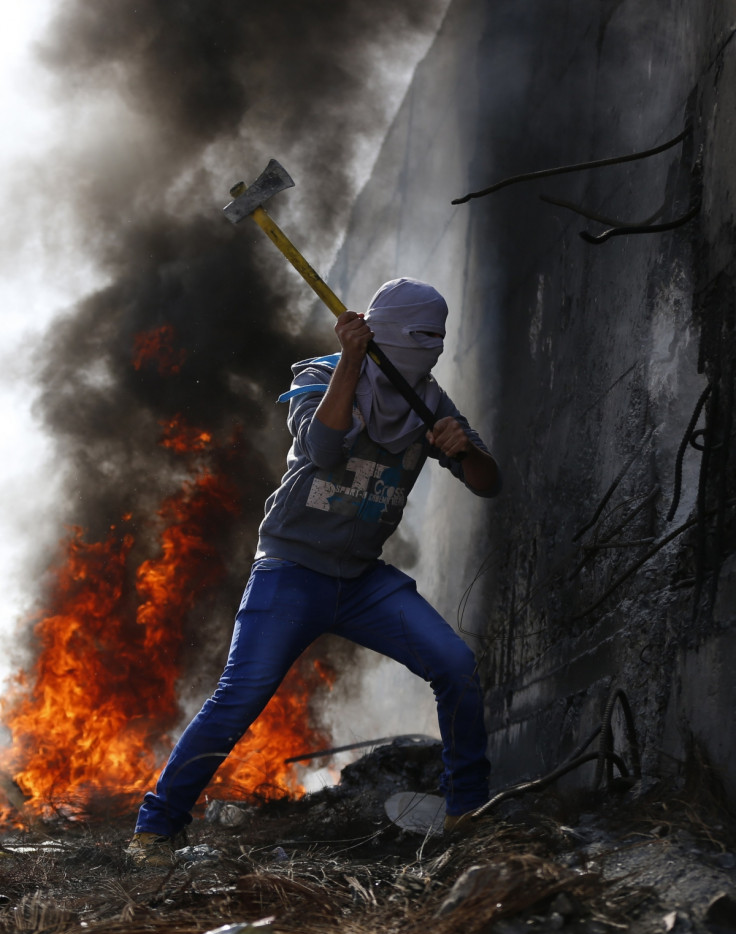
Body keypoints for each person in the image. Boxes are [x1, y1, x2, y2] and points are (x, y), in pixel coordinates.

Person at [126, 277, 500, 866]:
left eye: (440, 338)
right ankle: (155, 829)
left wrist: (464, 448)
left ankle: (467, 812)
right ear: (379, 332)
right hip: (291, 571)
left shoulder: (429, 401)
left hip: (362, 580)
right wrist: (353, 359)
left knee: (454, 665)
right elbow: (324, 447)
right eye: (420, 336)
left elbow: (487, 483)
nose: (432, 348)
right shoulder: (320, 377)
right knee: (240, 697)